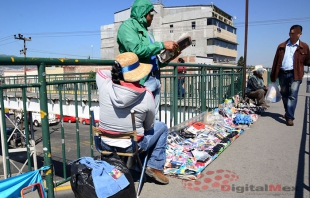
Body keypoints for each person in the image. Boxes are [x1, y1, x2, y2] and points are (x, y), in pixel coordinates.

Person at [96, 52, 169, 184]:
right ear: (139, 73)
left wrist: (117, 70)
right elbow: (149, 126)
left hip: (104, 143)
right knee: (162, 127)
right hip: (131, 146)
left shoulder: (104, 85)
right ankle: (154, 166)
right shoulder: (146, 95)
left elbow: (101, 72)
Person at [117, 0, 180, 121]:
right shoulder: (127, 27)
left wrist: (168, 56)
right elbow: (136, 50)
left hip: (154, 77)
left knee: (154, 119)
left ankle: (151, 139)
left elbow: (151, 57)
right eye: (151, 15)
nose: (152, 18)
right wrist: (161, 45)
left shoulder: (147, 32)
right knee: (142, 118)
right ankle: (143, 140)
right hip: (141, 79)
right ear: (143, 13)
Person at [270, 25, 310, 126]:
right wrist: (273, 76)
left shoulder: (304, 47)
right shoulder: (281, 46)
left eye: (293, 33)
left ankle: (290, 118)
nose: (291, 34)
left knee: (292, 96)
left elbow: (307, 60)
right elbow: (276, 61)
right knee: (284, 95)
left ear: (299, 34)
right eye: (290, 32)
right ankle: (288, 112)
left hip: (295, 74)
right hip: (283, 73)